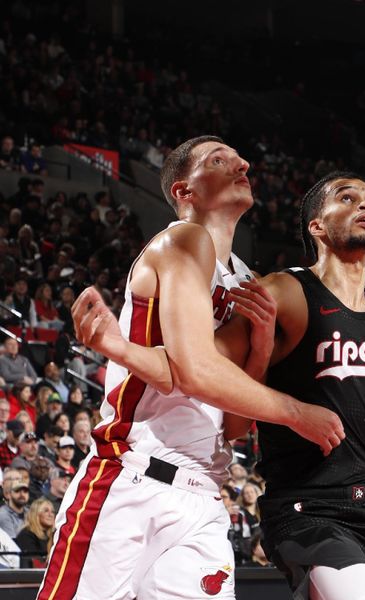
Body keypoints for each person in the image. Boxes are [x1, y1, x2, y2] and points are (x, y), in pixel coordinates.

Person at [81, 171, 365, 600]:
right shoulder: (282, 290)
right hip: (312, 508)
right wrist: (118, 347)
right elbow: (196, 365)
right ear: (318, 227)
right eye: (347, 198)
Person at [38, 136, 345, 600]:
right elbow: (194, 371)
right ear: (185, 191)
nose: (242, 162)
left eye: (240, 157)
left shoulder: (246, 279)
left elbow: (236, 423)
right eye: (219, 160)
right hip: (130, 477)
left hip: (203, 490)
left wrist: (259, 349)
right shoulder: (182, 239)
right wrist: (299, 414)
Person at [15, 497, 55, 568]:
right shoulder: (26, 534)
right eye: (46, 511)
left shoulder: (54, 535)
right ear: (36, 514)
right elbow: (34, 564)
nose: (50, 514)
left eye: (52, 512)